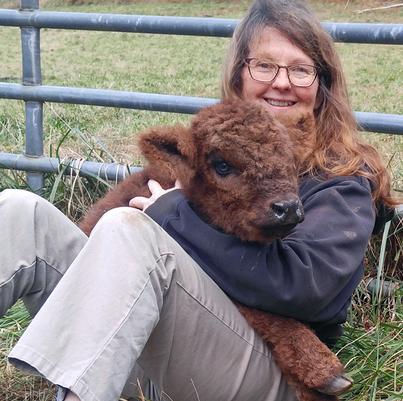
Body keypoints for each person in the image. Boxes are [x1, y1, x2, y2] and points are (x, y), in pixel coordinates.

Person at [0, 1, 398, 400]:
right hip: (154, 351)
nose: (281, 82)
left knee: (130, 229)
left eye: (300, 69)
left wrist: (170, 213)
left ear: (322, 83)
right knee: (21, 210)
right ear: (239, 75)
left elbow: (307, 288)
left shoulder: (341, 178)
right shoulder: (215, 150)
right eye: (264, 65)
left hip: (262, 374)